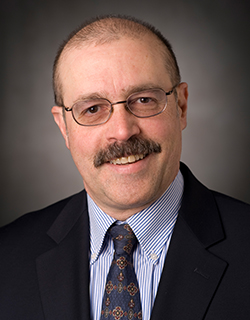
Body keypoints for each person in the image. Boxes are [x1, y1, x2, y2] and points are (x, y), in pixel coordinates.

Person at [0, 15, 250, 320]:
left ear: (181, 107)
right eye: (92, 109)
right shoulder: (7, 257)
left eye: (143, 100)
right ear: (64, 127)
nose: (122, 130)